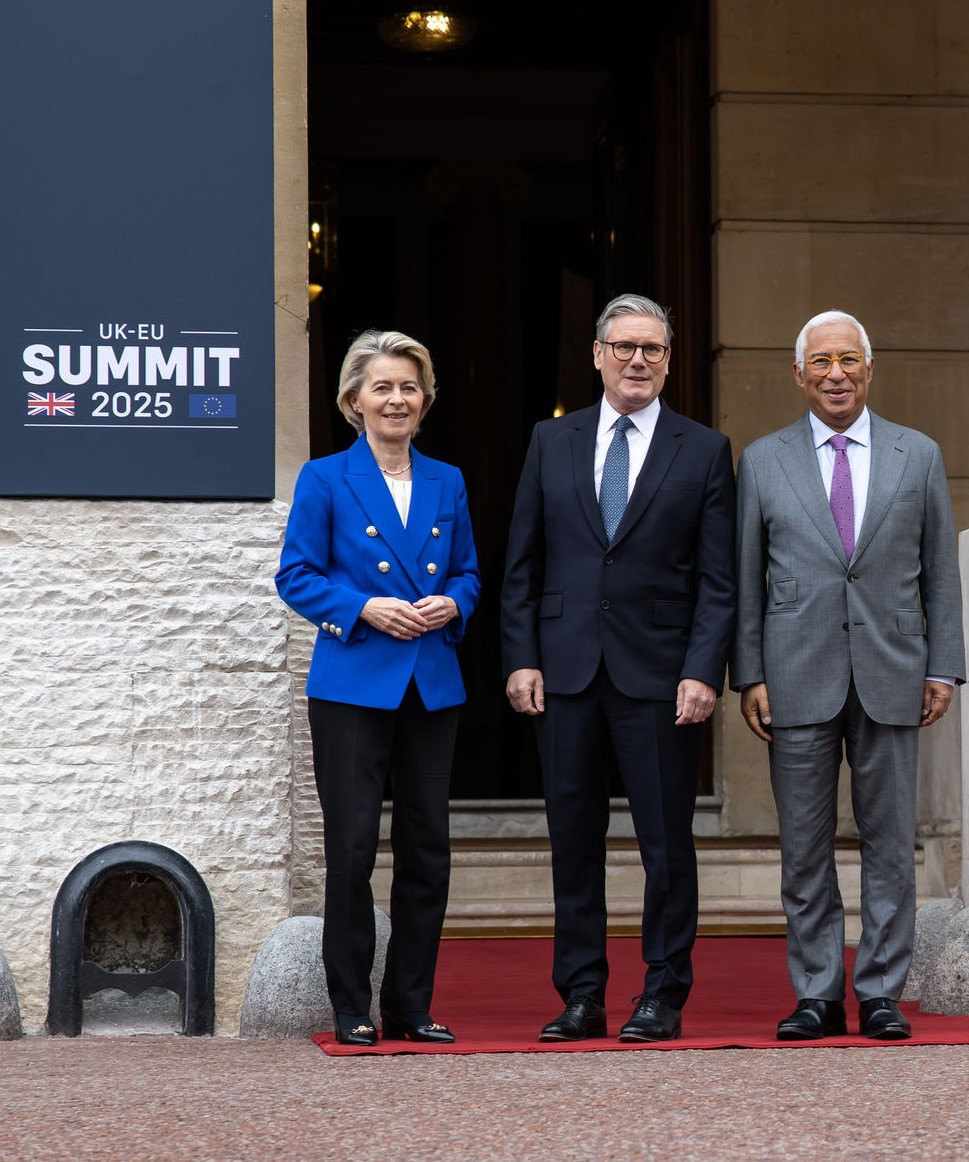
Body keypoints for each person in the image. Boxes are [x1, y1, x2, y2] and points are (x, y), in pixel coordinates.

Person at [501, 293, 736, 1043]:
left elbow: (718, 579)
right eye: (625, 347)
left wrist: (704, 669)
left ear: (668, 360)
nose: (639, 360)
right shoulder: (551, 440)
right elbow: (523, 562)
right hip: (565, 673)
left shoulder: (702, 449)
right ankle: (581, 994)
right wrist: (522, 656)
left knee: (665, 843)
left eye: (654, 350)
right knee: (574, 839)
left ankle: (663, 993)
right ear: (598, 354)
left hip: (662, 677)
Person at [732, 309, 965, 1041]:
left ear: (869, 368)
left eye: (850, 360)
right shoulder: (764, 461)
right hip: (795, 673)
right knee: (803, 846)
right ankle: (817, 994)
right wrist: (750, 673)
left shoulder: (917, 454)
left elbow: (941, 573)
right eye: (822, 362)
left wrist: (945, 667)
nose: (837, 373)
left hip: (895, 669)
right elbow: (746, 578)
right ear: (799, 374)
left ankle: (882, 994)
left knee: (890, 842)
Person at [276, 330, 480, 1046]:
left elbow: (468, 574)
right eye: (383, 387)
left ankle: (411, 1004)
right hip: (353, 683)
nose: (397, 400)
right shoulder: (325, 478)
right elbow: (295, 576)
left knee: (428, 849)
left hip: (429, 682)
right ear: (353, 399)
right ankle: (350, 1003)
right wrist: (362, 606)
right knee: (354, 847)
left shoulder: (447, 480)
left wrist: (455, 603)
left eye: (409, 387)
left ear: (425, 401)